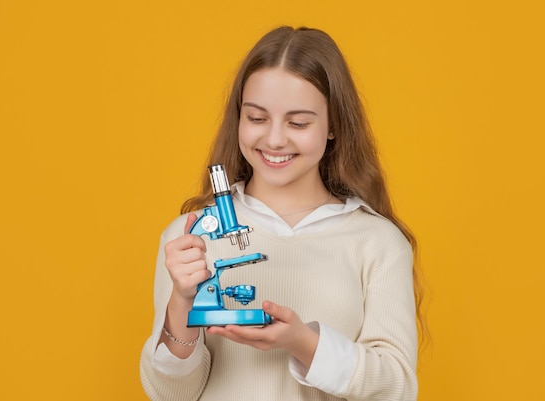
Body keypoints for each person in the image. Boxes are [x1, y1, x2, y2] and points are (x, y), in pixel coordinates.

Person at [140, 25, 425, 401]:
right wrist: (182, 299)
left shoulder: (377, 242)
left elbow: (398, 388)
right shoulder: (187, 239)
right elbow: (170, 395)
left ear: (333, 126)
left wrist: (305, 343)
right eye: (257, 118)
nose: (274, 139)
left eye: (298, 123)